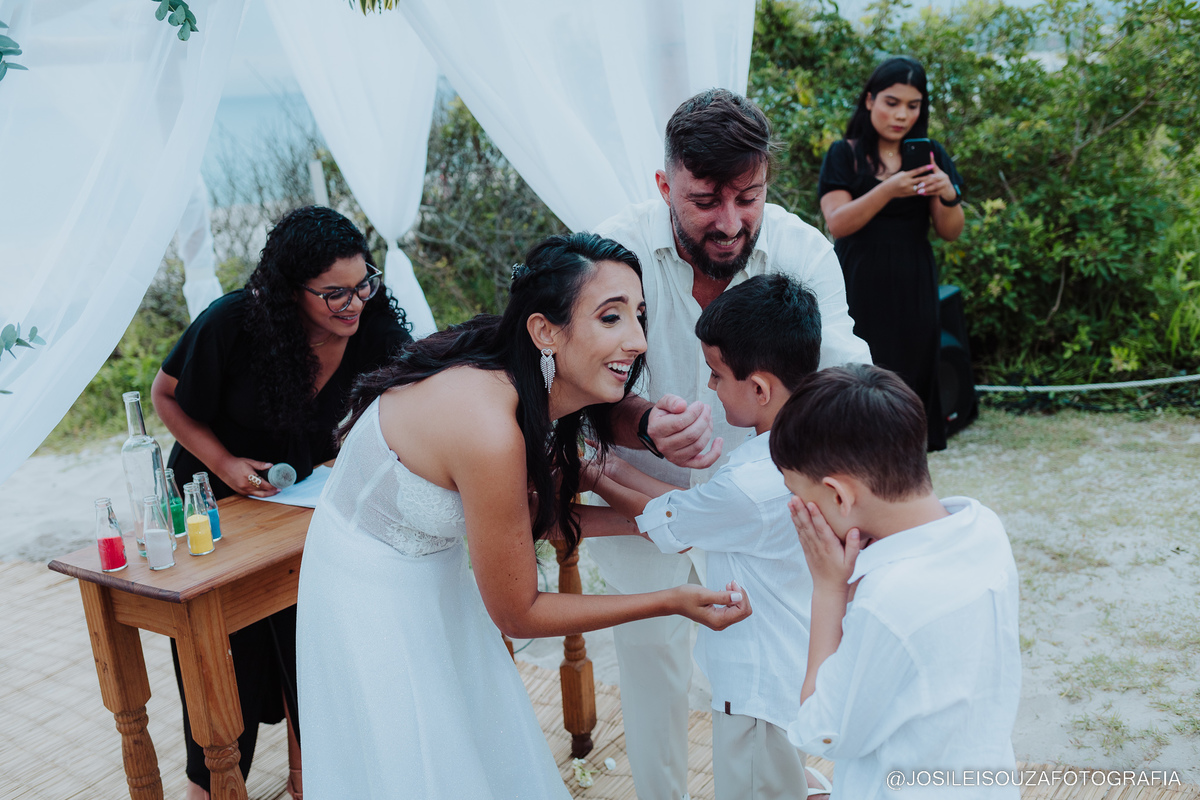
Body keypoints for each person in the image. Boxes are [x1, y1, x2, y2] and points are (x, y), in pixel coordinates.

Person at [294, 232, 752, 800]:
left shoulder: (531, 385)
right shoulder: (489, 428)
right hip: (365, 586)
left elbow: (538, 517)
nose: (637, 340)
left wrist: (653, 522)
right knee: (419, 754)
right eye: (610, 318)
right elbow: (518, 611)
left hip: (431, 565)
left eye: (639, 315)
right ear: (544, 331)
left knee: (479, 736)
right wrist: (670, 603)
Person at [591, 87, 872, 800]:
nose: (729, 221)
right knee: (651, 666)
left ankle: (778, 782)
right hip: (642, 493)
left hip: (763, 515)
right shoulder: (609, 253)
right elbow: (573, 385)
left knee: (761, 675)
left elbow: (841, 381)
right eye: (706, 199)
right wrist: (643, 421)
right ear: (664, 184)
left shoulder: (803, 250)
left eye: (748, 198)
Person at [151, 205, 412, 800]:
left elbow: (414, 395)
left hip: (302, 515)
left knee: (313, 654)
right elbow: (165, 396)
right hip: (212, 509)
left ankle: (310, 783)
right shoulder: (232, 324)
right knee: (225, 666)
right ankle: (210, 786)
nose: (354, 303)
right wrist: (225, 464)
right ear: (291, 292)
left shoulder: (371, 326)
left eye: (363, 283)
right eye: (334, 294)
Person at [580, 274, 833, 799]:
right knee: (783, 778)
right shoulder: (817, 443)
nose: (711, 387)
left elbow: (667, 519)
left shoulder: (753, 483)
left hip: (757, 686)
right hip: (794, 664)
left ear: (759, 388)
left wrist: (588, 466)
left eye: (716, 376)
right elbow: (682, 513)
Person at [770, 364, 1021, 799]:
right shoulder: (983, 527)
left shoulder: (888, 598)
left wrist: (829, 589)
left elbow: (822, 729)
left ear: (840, 495)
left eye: (798, 495)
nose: (796, 508)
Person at [818, 56, 966, 451]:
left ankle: (905, 476)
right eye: (892, 102)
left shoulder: (930, 155)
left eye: (912, 105)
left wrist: (948, 193)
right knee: (855, 380)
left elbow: (950, 232)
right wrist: (890, 188)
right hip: (855, 285)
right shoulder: (844, 154)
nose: (901, 114)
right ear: (869, 101)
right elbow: (837, 223)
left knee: (910, 380)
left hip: (913, 284)